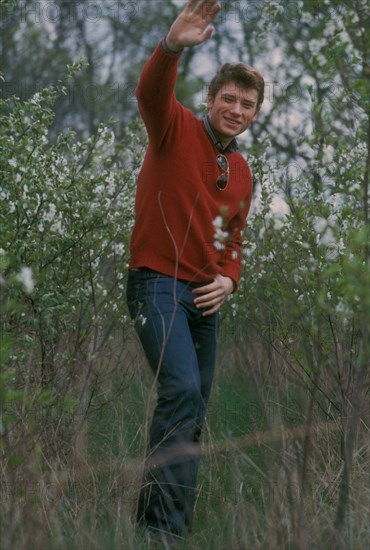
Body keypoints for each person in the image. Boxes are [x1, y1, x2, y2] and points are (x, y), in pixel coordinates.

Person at [126, 0, 264, 546]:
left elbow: (233, 237)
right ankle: (161, 529)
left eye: (247, 104)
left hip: (204, 299)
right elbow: (148, 93)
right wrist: (172, 46)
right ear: (209, 100)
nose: (235, 108)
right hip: (155, 283)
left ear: (255, 114)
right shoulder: (174, 128)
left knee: (194, 410)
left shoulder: (245, 169)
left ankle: (165, 529)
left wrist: (230, 278)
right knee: (180, 390)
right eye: (227, 98)